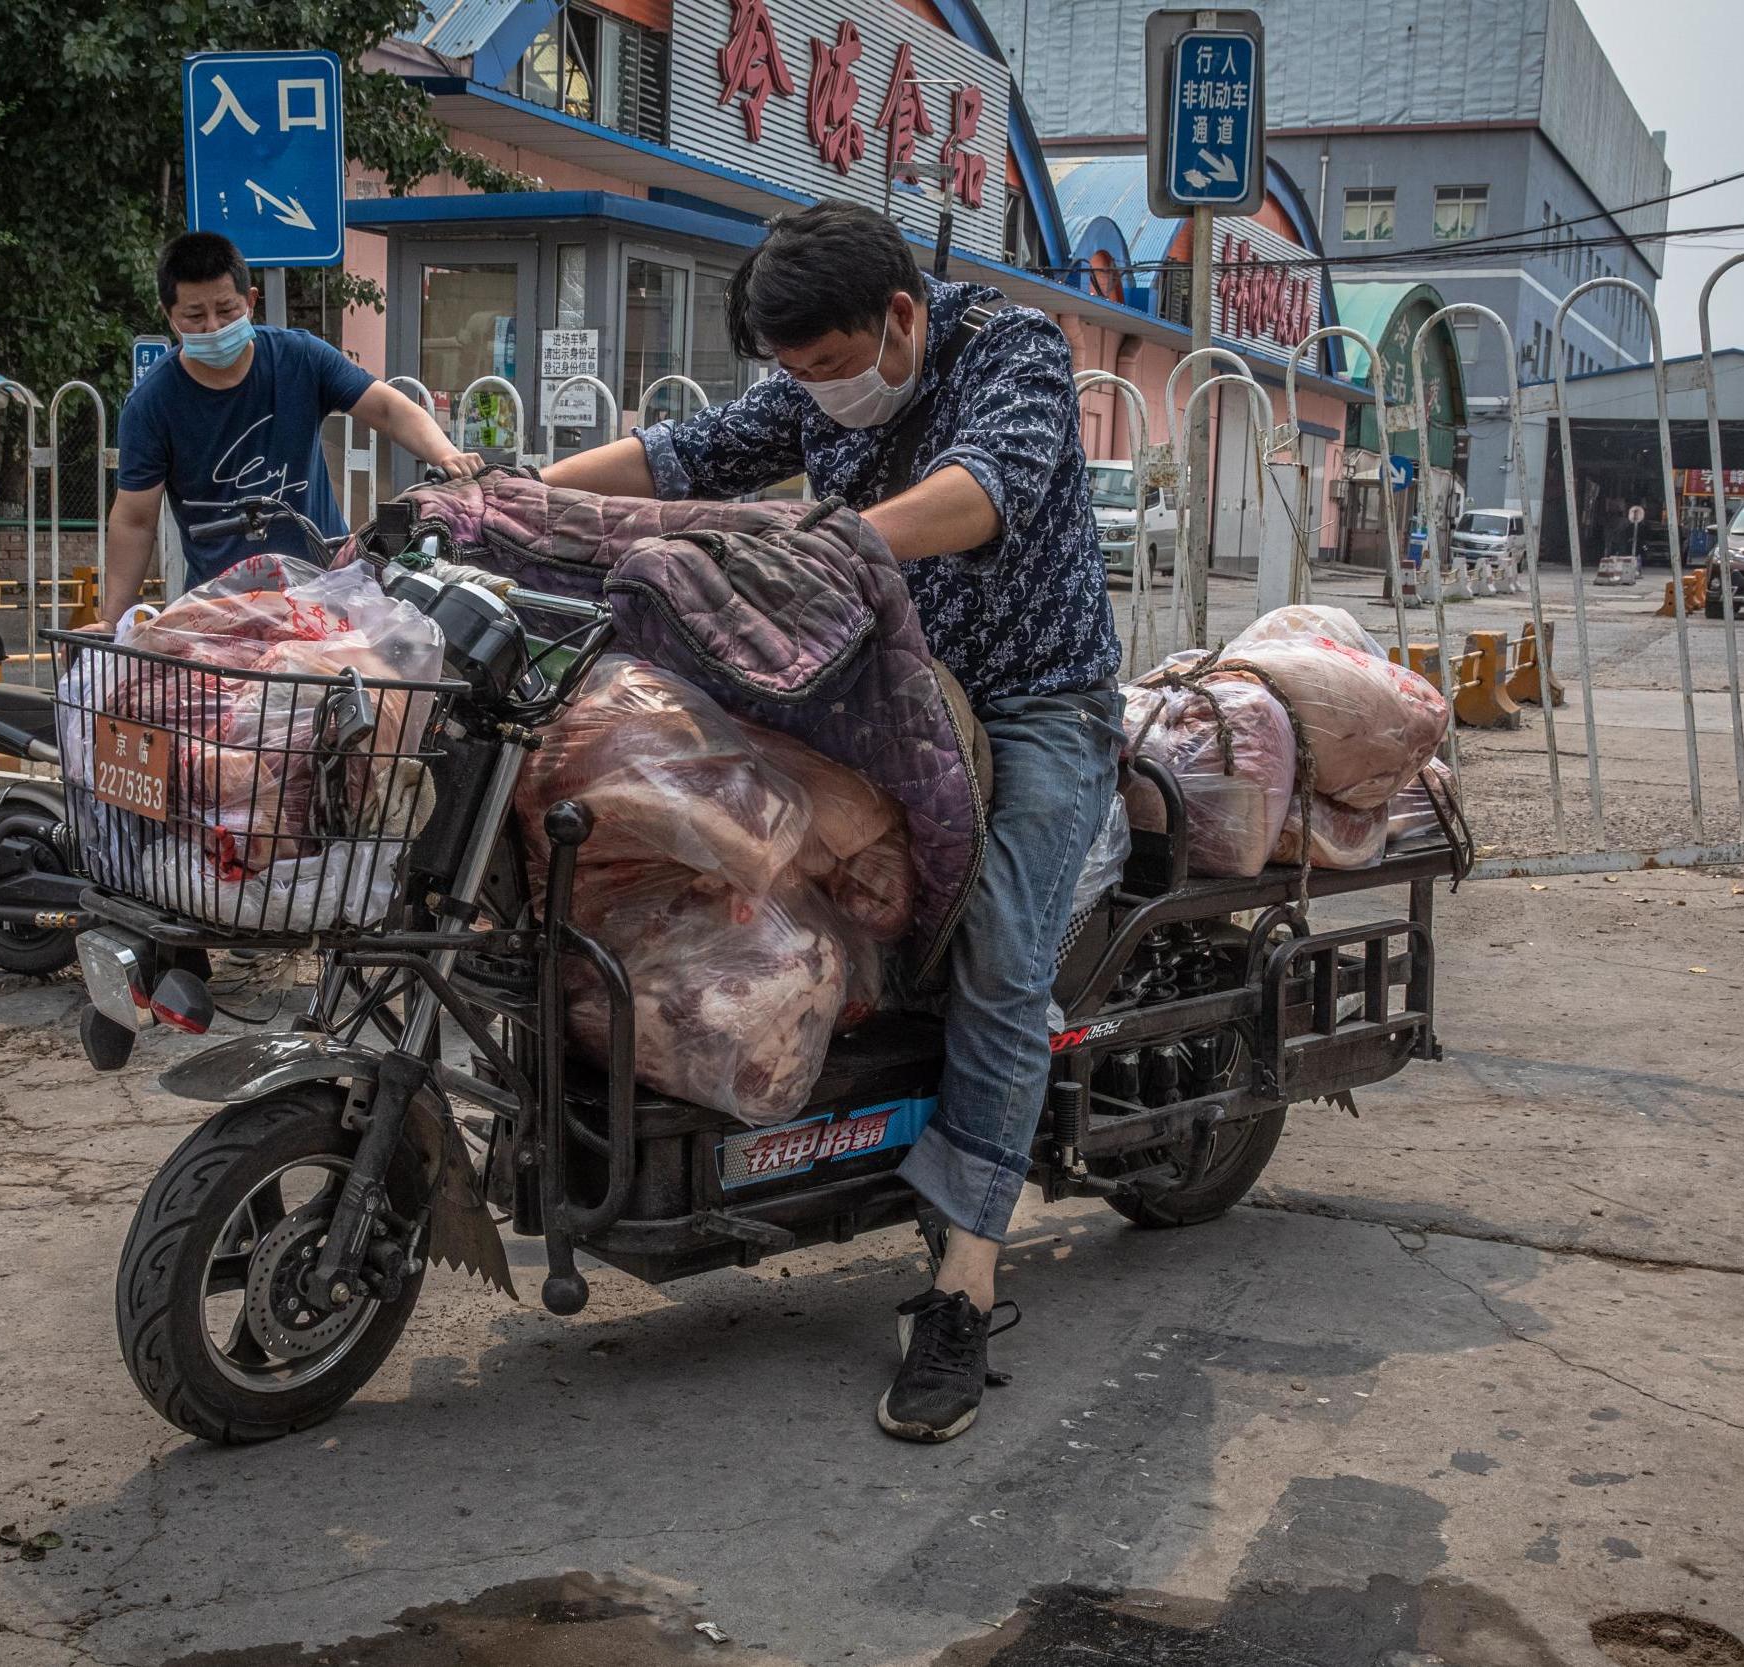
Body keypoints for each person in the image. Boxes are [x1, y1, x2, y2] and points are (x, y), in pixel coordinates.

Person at [540, 200, 1124, 1443]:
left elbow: (981, 490)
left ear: (899, 319)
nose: (812, 395)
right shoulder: (816, 386)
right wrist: (506, 500)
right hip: (870, 696)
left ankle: (961, 1285)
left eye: (824, 367)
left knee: (999, 959)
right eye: (793, 376)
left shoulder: (1009, 353)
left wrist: (833, 540)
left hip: (1030, 705)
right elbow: (680, 457)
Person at [103, 231, 485, 621]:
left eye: (227, 310)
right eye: (195, 317)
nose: (214, 327)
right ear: (169, 316)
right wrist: (112, 618)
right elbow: (135, 519)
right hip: (220, 609)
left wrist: (446, 455)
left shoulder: (299, 358)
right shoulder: (152, 403)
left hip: (327, 590)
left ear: (251, 302)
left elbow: (388, 408)